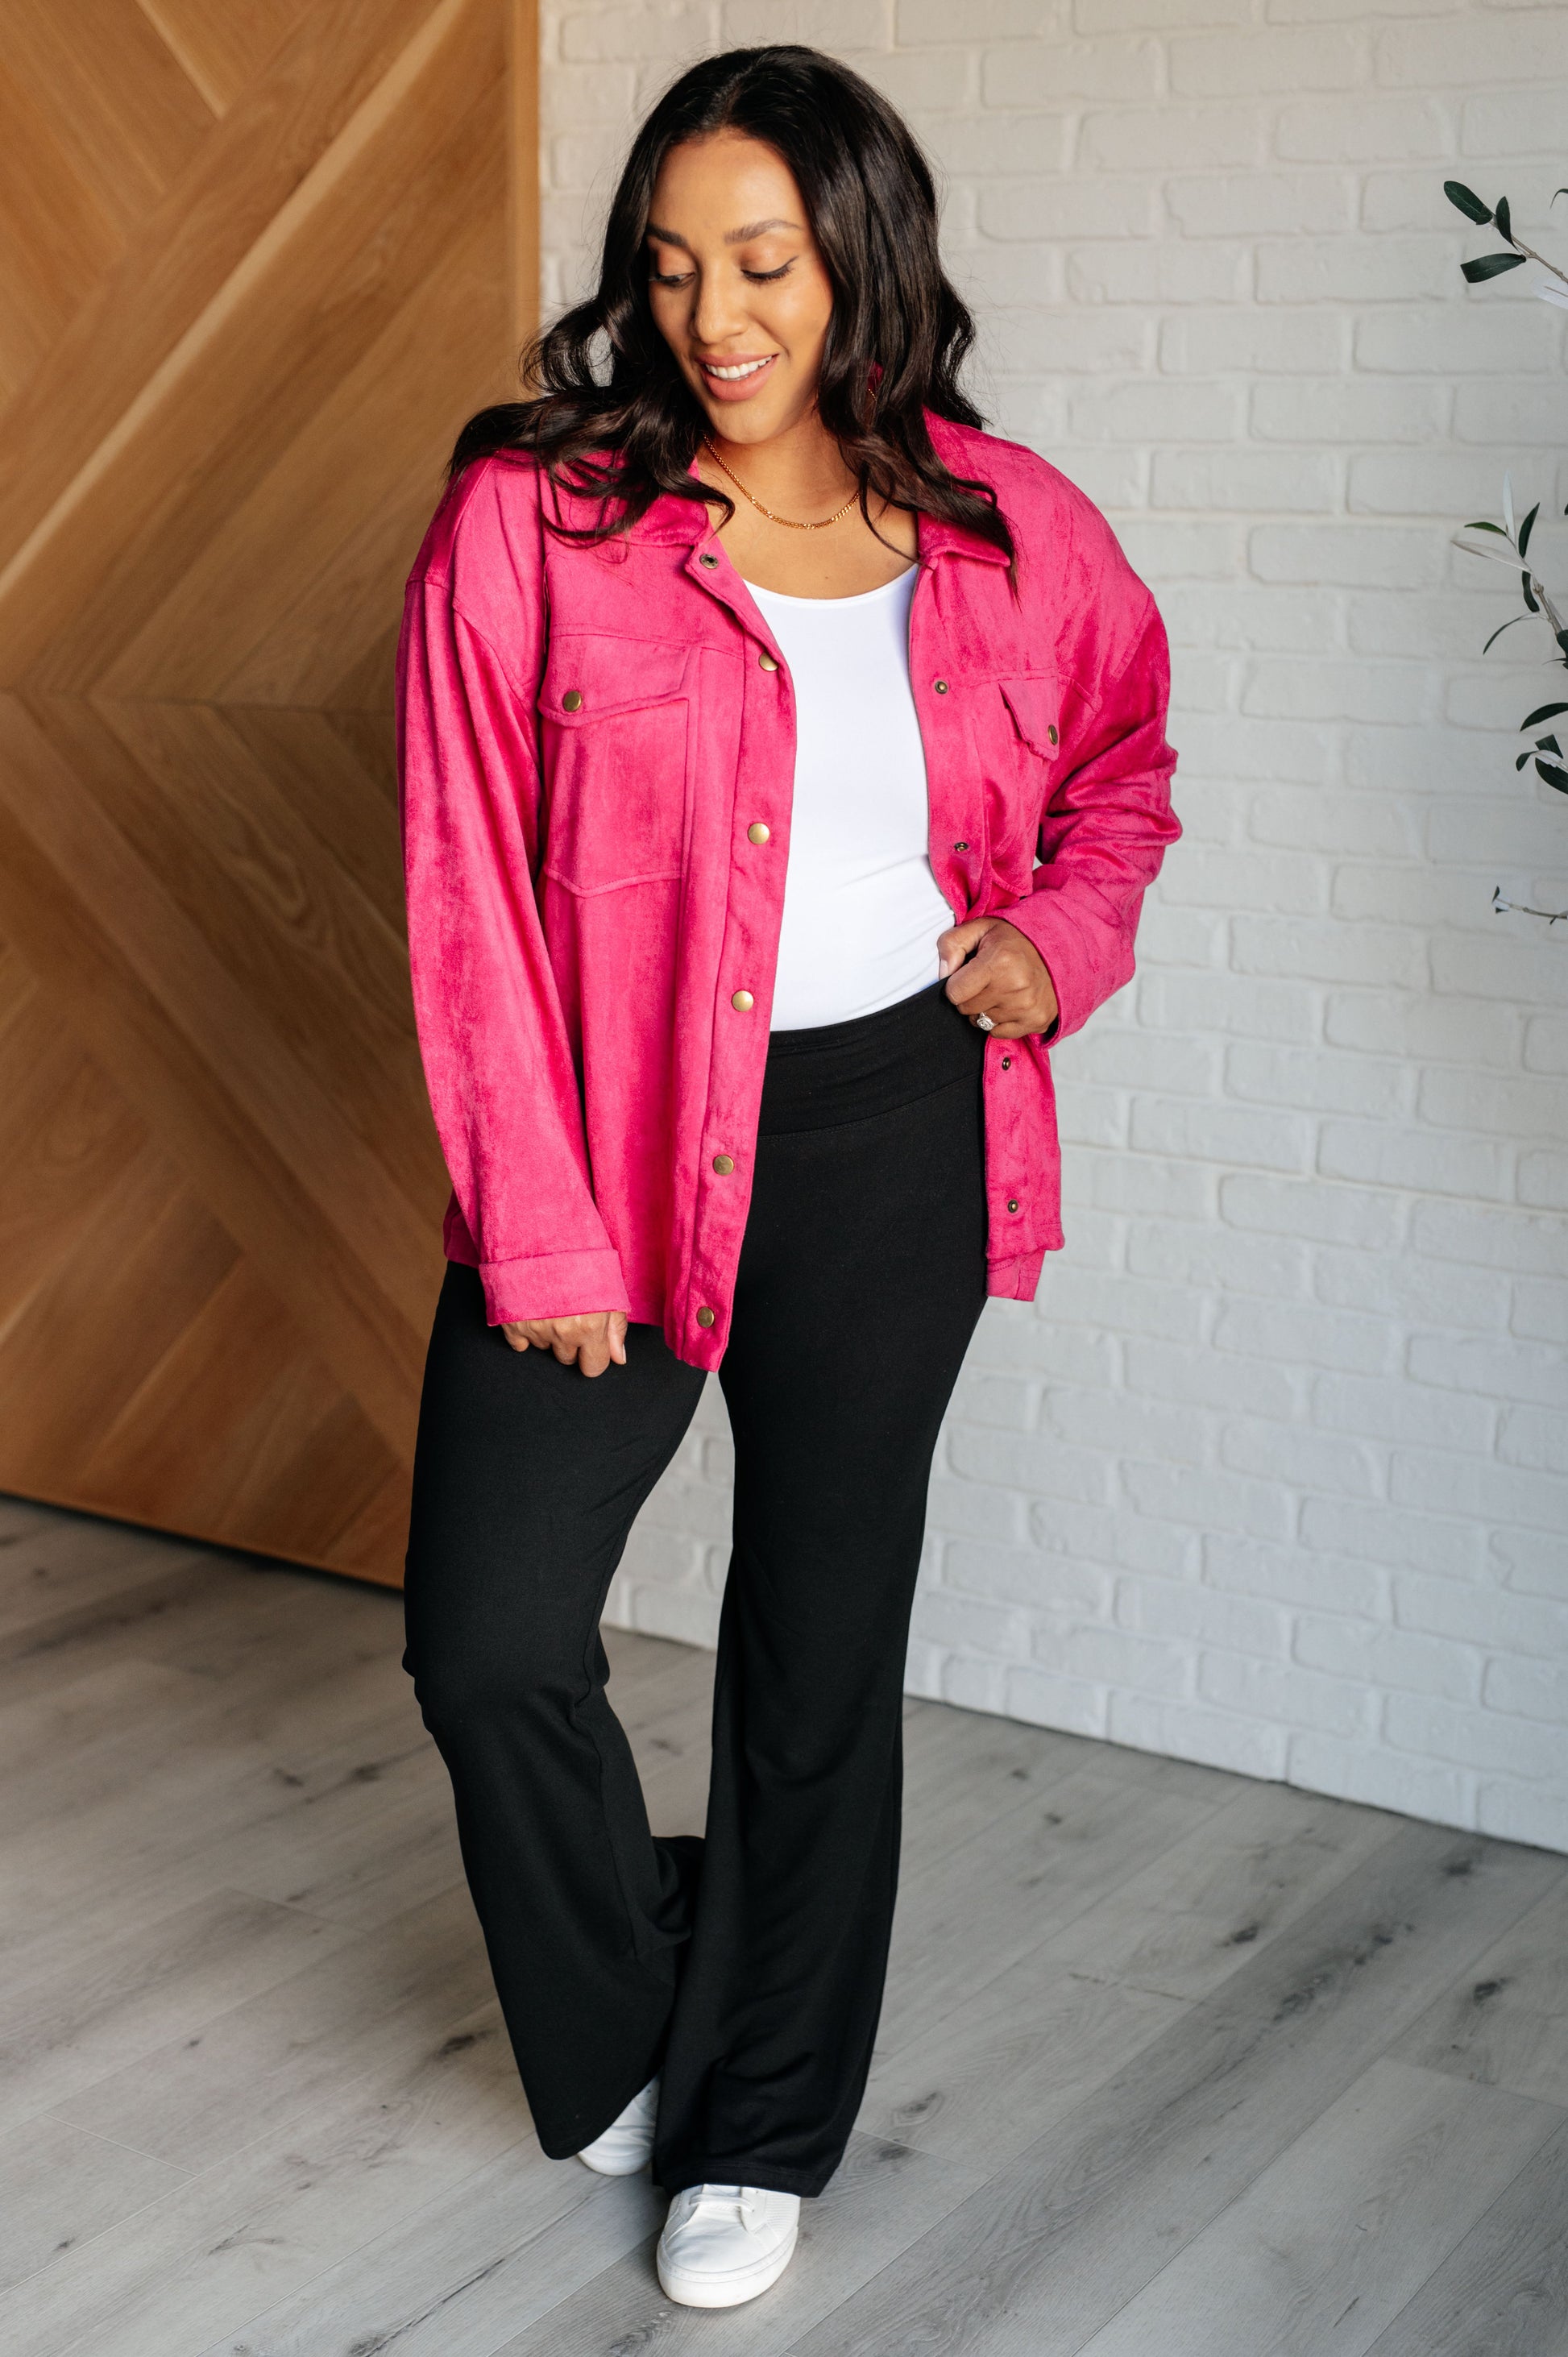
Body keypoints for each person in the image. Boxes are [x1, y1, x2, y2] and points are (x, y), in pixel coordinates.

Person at [396, 42, 1178, 2313]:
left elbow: (1123, 771)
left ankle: (762, 2116)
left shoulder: (1013, 527)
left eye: (760, 261)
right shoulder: (533, 519)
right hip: (613, 1151)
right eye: (666, 267)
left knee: (814, 1654)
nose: (712, 315)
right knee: (491, 1639)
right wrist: (538, 1222)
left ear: (858, 258)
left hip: (888, 1134)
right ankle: (646, 1994)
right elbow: (464, 892)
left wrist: (1052, 943)